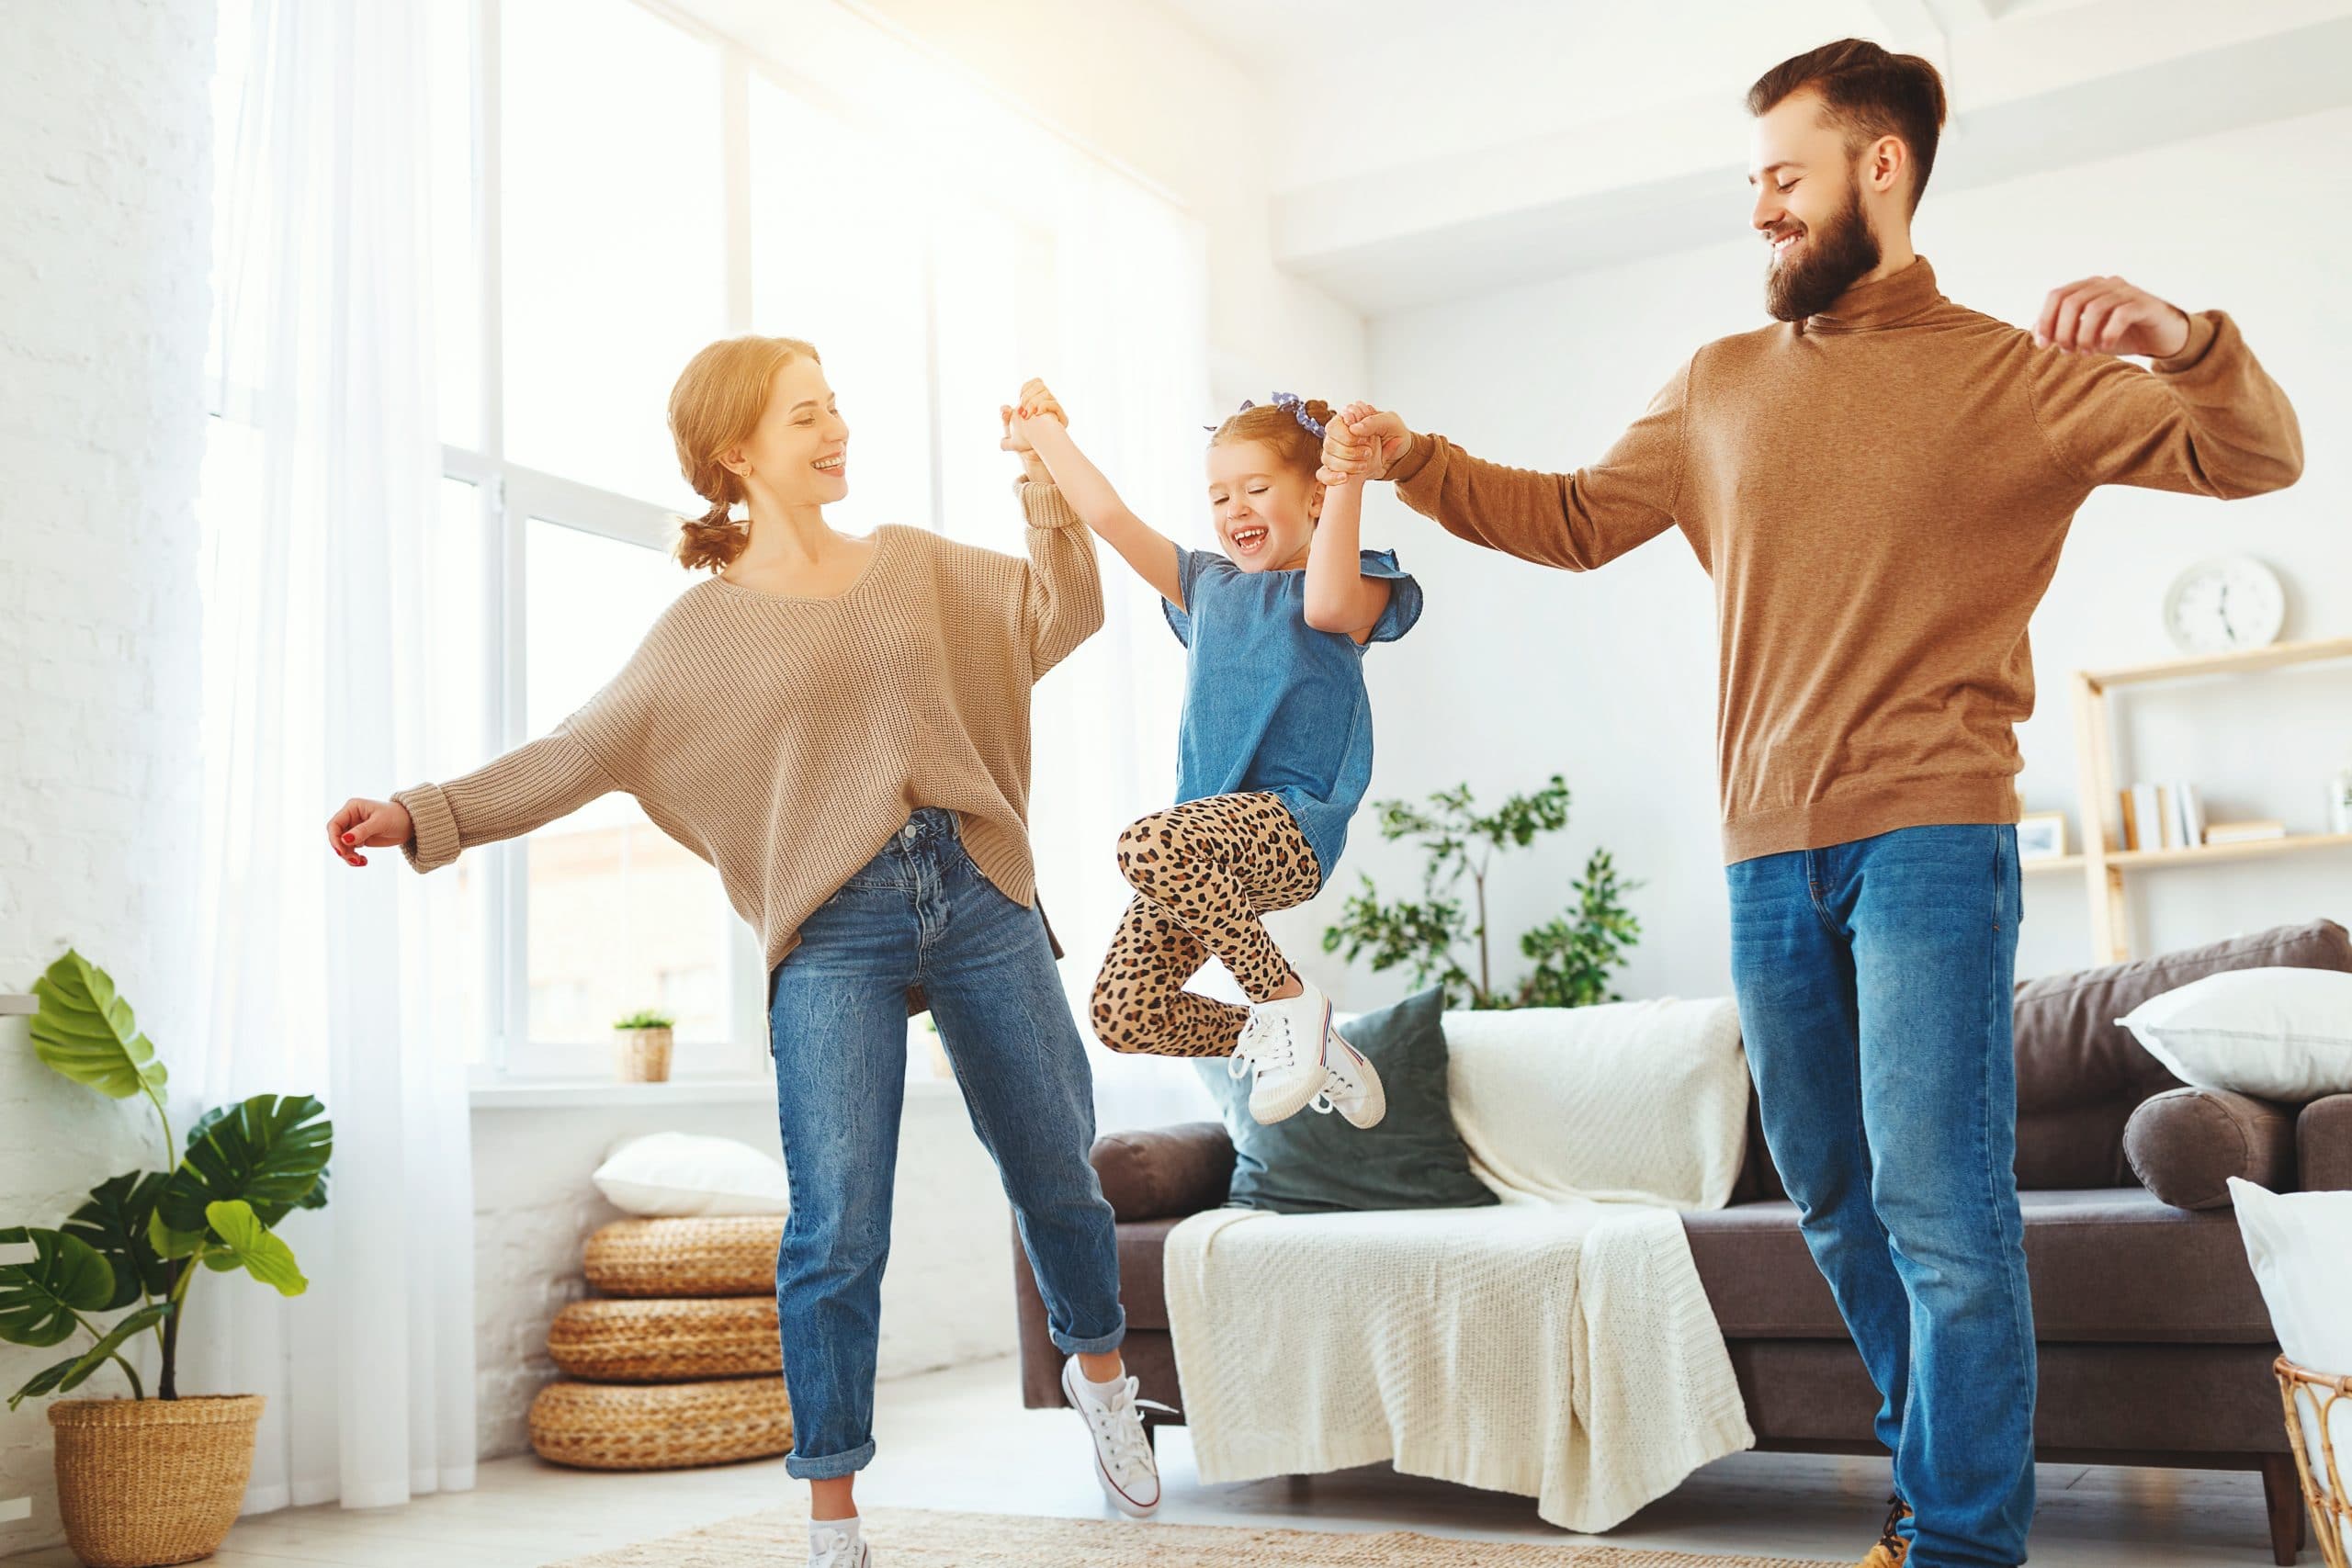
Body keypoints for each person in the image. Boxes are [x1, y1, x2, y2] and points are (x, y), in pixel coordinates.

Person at [1320, 39, 2300, 1568]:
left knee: (1940, 1203)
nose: (1763, 208)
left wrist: (2183, 337)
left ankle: (1964, 1542)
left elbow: (2259, 451)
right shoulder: (1722, 386)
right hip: (1766, 854)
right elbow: (1576, 519)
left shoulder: (2012, 379)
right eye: (1755, 184)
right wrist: (1412, 460)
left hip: (1931, 834)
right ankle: (1940, 1494)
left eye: (1786, 175)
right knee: (1834, 1195)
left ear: (1882, 166)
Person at [327, 335, 1170, 1568]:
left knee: (1056, 1170)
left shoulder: (915, 566)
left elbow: (1065, 607)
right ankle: (833, 1512)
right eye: (804, 416)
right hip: (832, 924)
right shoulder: (699, 633)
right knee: (836, 1227)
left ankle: (1102, 1374)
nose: (836, 431)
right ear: (735, 451)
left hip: (977, 889)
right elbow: (576, 751)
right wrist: (424, 811)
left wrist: (1042, 472)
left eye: (837, 406)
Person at [1005, 382, 1422, 1127]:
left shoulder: (1358, 586)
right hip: (1199, 856)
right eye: (1219, 496)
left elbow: (1323, 604)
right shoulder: (1204, 584)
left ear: (1316, 497)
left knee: (1143, 842)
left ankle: (1287, 1001)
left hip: (1288, 831)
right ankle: (1302, 1037)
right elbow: (1108, 515)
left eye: (1257, 488)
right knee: (1123, 1011)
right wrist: (1043, 434)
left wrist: (1348, 475)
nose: (1235, 510)